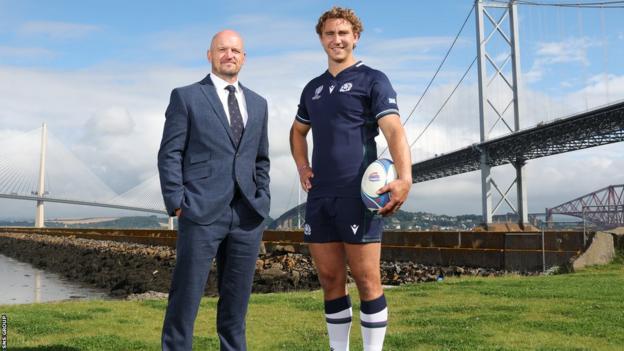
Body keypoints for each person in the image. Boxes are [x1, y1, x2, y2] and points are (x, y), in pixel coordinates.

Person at [289, 7, 412, 351]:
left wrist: (405, 178)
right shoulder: (312, 88)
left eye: (343, 33)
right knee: (330, 281)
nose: (337, 39)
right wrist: (301, 166)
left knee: (367, 280)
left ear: (355, 37)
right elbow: (297, 133)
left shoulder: (373, 79)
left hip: (358, 196)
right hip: (319, 197)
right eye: (330, 34)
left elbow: (394, 131)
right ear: (321, 39)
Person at [158, 29, 270, 351]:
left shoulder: (259, 104)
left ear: (244, 58)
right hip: (200, 210)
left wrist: (262, 196)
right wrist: (177, 202)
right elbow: (170, 153)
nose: (229, 55)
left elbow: (261, 158)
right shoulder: (186, 96)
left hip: (248, 215)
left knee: (236, 305)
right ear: (210, 54)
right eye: (222, 49)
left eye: (236, 50)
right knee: (186, 298)